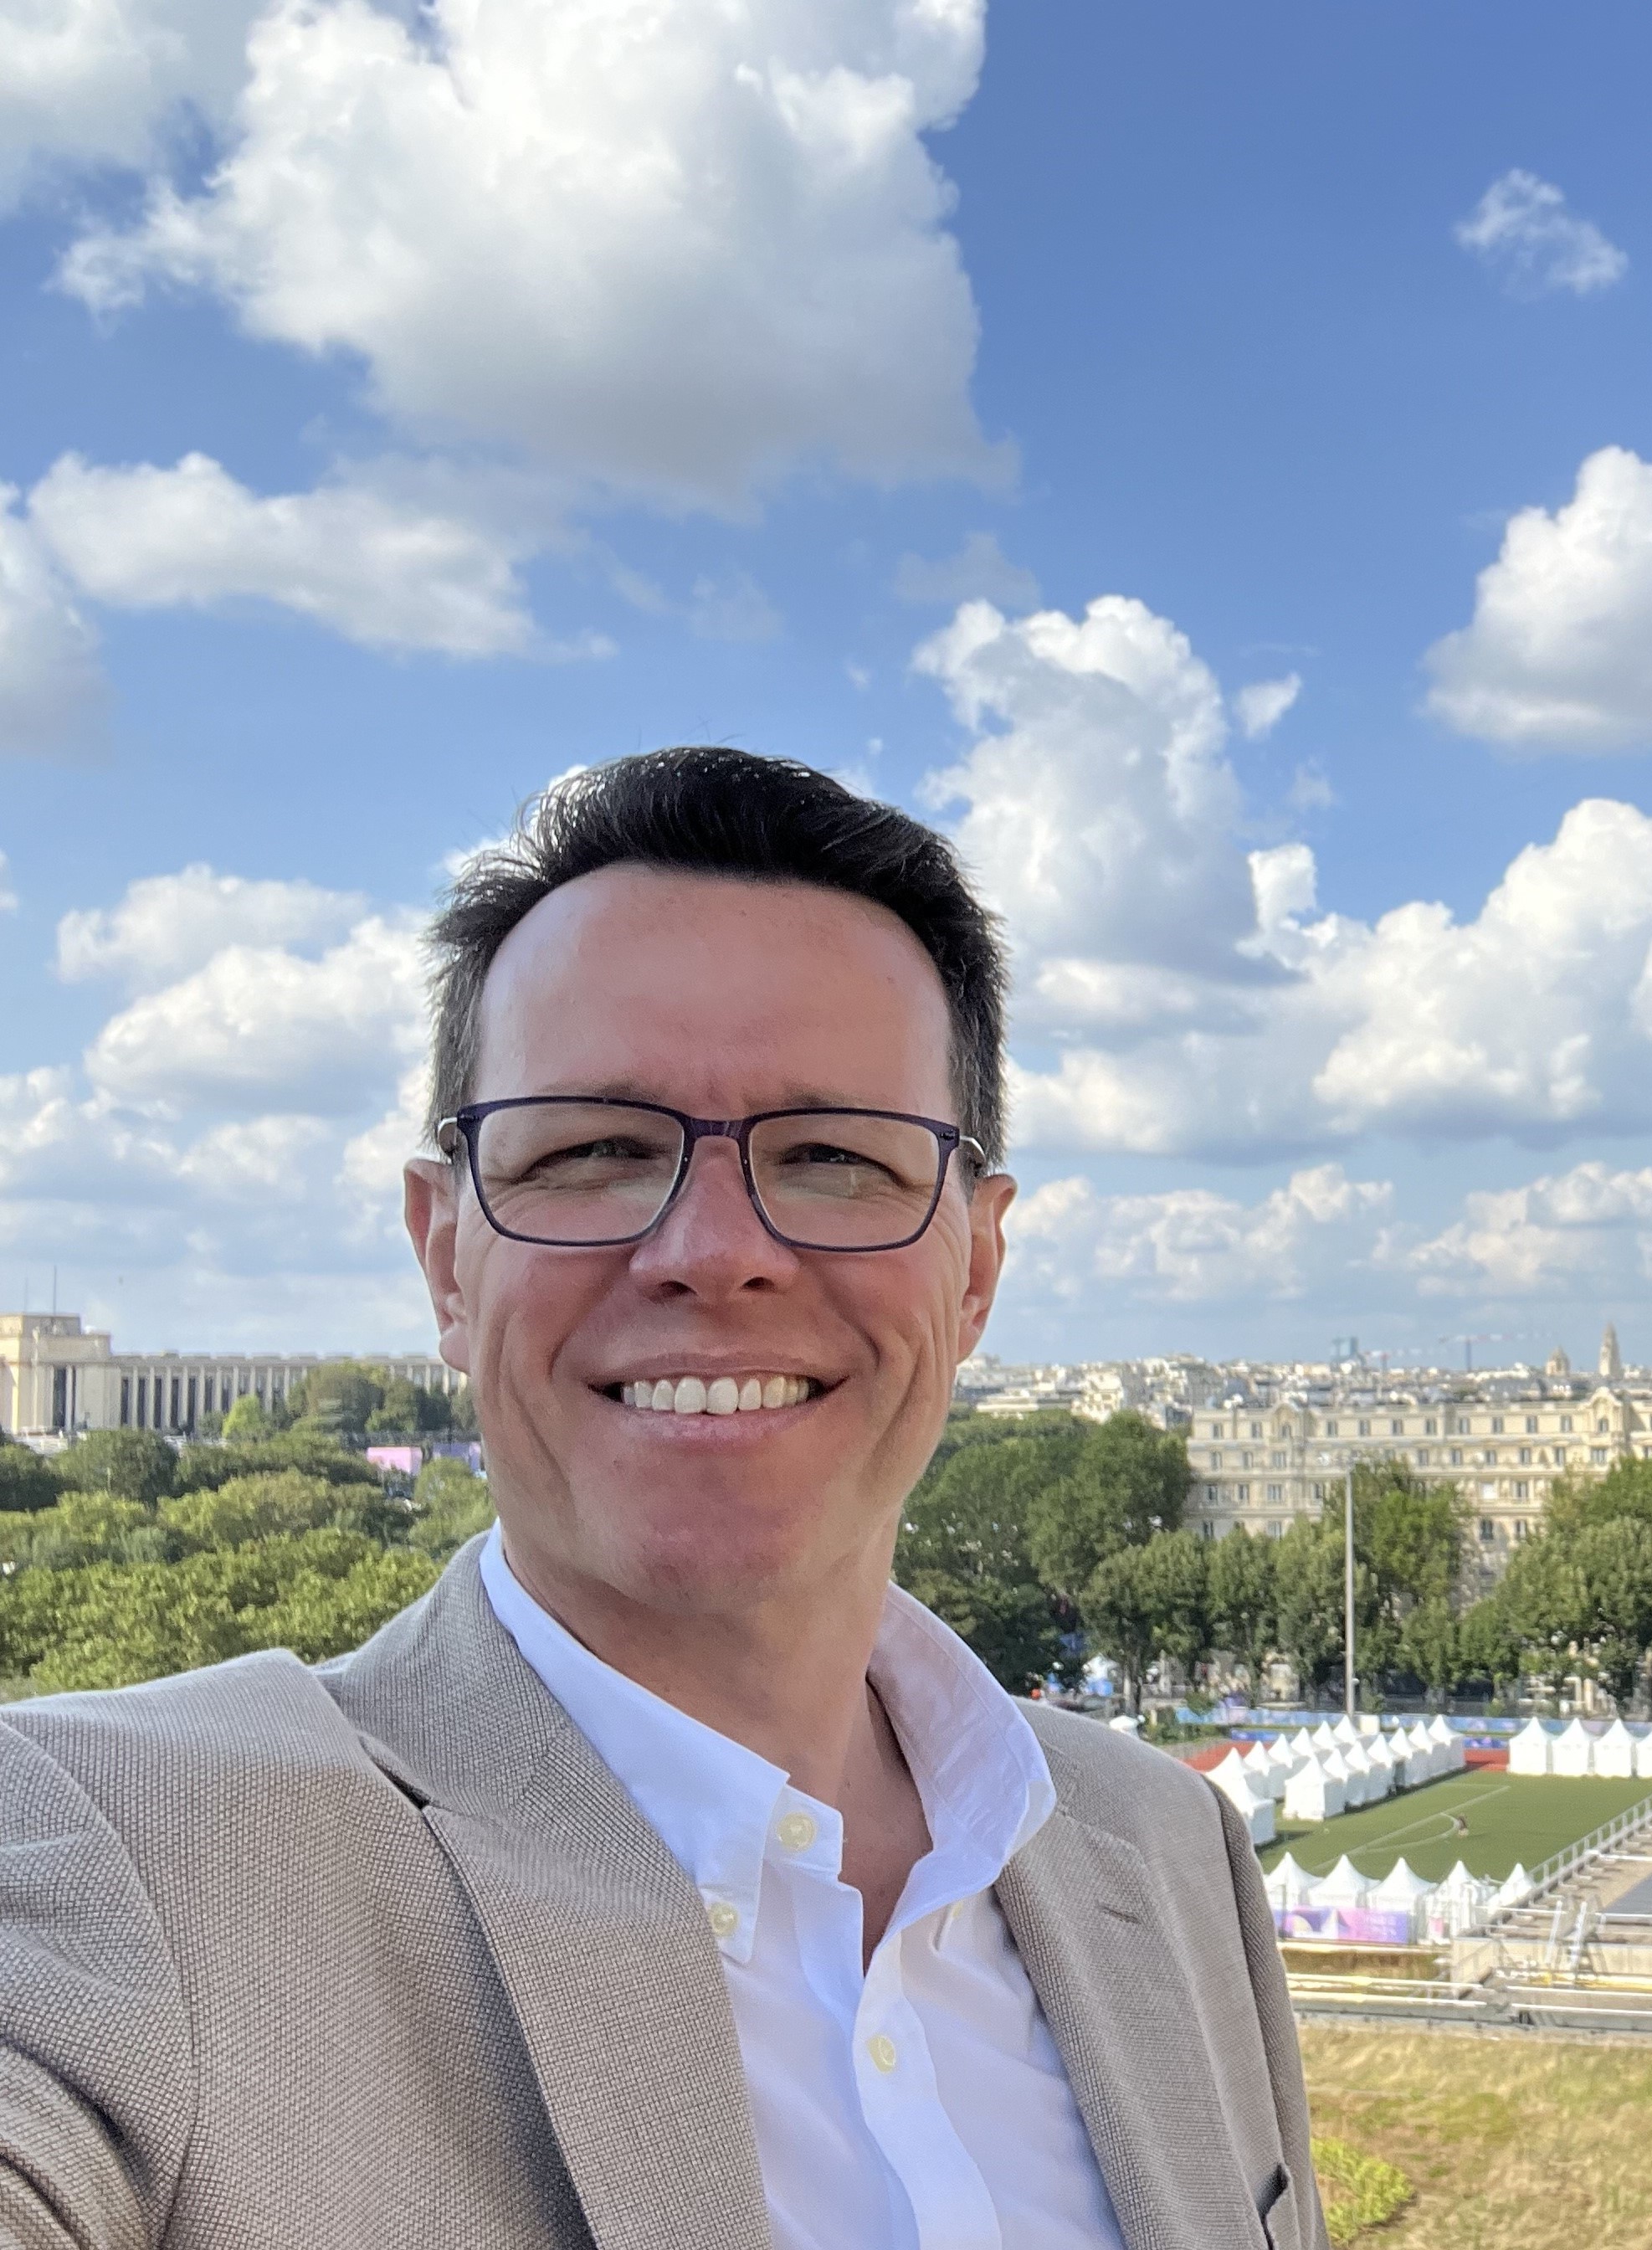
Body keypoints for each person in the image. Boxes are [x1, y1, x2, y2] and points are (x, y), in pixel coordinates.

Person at [0, 750, 1321, 2248]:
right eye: (594, 1151)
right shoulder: (125, 1861)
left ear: (976, 1270)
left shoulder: (1168, 1847)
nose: (713, 1252)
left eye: (834, 1158)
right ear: (446, 1257)